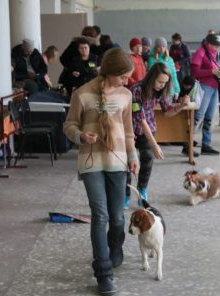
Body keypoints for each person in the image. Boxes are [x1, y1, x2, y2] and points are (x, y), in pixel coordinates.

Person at [63, 48, 139, 295]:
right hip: (90, 162)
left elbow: (129, 132)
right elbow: (69, 125)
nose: (127, 82)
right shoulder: (82, 94)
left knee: (118, 218)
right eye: (123, 77)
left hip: (118, 163)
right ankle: (103, 272)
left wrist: (134, 156)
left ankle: (114, 247)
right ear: (110, 72)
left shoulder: (126, 95)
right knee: (100, 215)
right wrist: (80, 135)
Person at [124, 63, 190, 208]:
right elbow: (140, 118)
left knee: (147, 161)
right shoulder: (137, 89)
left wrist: (181, 106)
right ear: (152, 77)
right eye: (160, 81)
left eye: (165, 82)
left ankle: (142, 190)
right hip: (131, 130)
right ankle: (126, 194)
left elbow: (167, 111)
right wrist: (154, 144)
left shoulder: (162, 90)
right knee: (129, 162)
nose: (162, 85)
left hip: (149, 129)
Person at [190, 33, 220, 155]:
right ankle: (187, 143)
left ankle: (206, 144)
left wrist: (218, 73)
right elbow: (194, 71)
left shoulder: (216, 53)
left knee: (210, 117)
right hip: (204, 86)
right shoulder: (200, 52)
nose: (217, 48)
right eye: (215, 46)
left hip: (214, 87)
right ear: (208, 43)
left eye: (218, 46)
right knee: (198, 116)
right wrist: (211, 71)